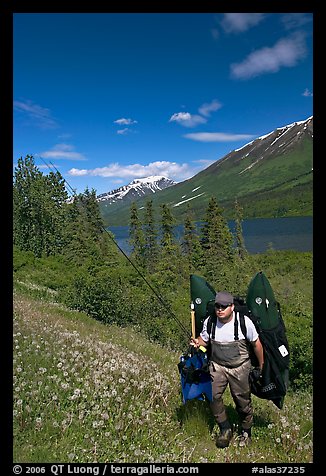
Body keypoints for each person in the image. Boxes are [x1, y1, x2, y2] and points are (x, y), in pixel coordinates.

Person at [191, 290, 264, 449]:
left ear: (232, 307)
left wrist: (261, 365)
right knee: (212, 396)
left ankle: (246, 431)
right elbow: (204, 340)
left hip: (240, 367)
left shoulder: (244, 322)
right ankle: (225, 428)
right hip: (217, 366)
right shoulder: (210, 322)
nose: (220, 309)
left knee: (242, 401)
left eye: (224, 306)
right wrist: (197, 342)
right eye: (217, 306)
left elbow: (256, 344)